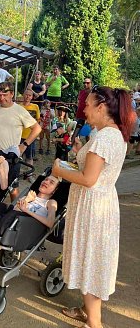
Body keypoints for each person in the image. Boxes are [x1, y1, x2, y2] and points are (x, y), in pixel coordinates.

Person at [52, 86, 136, 328]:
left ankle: (94, 323)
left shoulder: (104, 138)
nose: (83, 108)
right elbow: (94, 171)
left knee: (90, 261)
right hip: (100, 203)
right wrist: (80, 154)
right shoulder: (110, 134)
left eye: (88, 104)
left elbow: (88, 179)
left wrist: (60, 171)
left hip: (93, 207)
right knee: (92, 259)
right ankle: (86, 311)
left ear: (101, 107)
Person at [0, 82, 41, 200]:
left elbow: (37, 128)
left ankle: (13, 213)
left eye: (4, 95)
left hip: (12, 156)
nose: (1, 98)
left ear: (12, 94)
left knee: (13, 189)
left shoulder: (20, 110)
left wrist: (24, 145)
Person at [20, 89, 40, 181]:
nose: (27, 97)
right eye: (26, 95)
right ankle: (17, 174)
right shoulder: (19, 107)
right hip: (19, 136)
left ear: (32, 97)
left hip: (30, 136)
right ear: (23, 95)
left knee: (30, 157)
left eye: (29, 95)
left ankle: (29, 175)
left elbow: (38, 120)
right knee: (18, 156)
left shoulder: (35, 107)